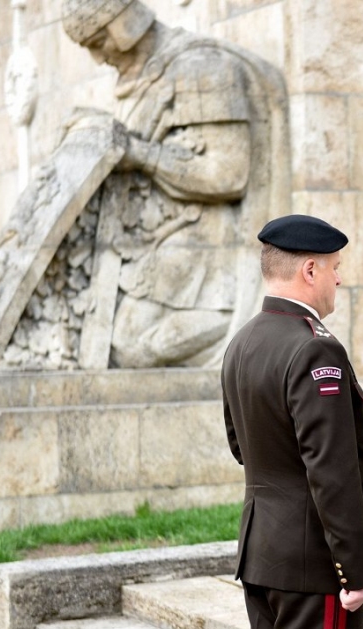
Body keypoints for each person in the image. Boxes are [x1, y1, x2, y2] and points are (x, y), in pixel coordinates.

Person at [57, 0, 286, 368]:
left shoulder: (204, 68)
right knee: (100, 342)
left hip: (203, 248)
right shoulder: (145, 76)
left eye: (99, 41)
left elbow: (226, 173)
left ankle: (249, 337)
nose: (99, 58)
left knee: (130, 350)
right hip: (153, 244)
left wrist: (136, 152)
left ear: (123, 24)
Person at [221, 214, 363, 629]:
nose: (340, 278)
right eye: (335, 267)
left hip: (262, 555)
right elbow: (330, 472)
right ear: (310, 271)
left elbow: (244, 446)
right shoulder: (315, 350)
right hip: (314, 566)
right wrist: (357, 574)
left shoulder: (243, 343)